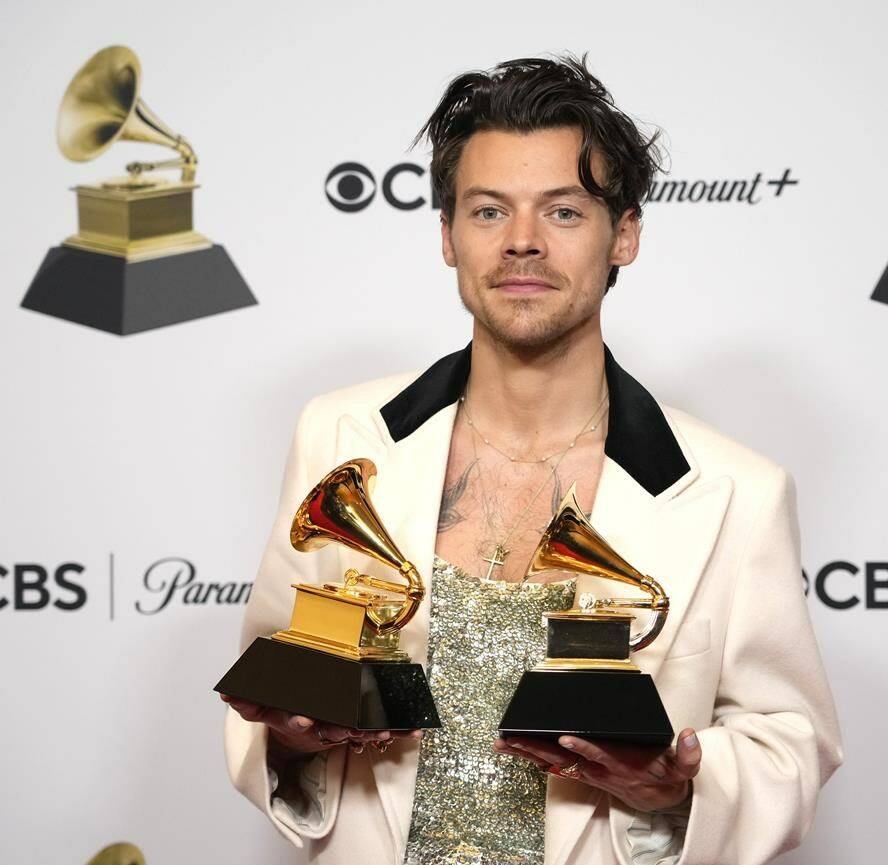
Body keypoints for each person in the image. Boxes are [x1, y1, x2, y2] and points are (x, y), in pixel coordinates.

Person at [222, 54, 843, 865]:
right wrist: (294, 739)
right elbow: (265, 688)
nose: (522, 242)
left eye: (563, 212)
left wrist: (678, 784)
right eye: (488, 211)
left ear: (624, 235)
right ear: (446, 236)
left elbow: (791, 747)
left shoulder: (738, 492)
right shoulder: (337, 436)